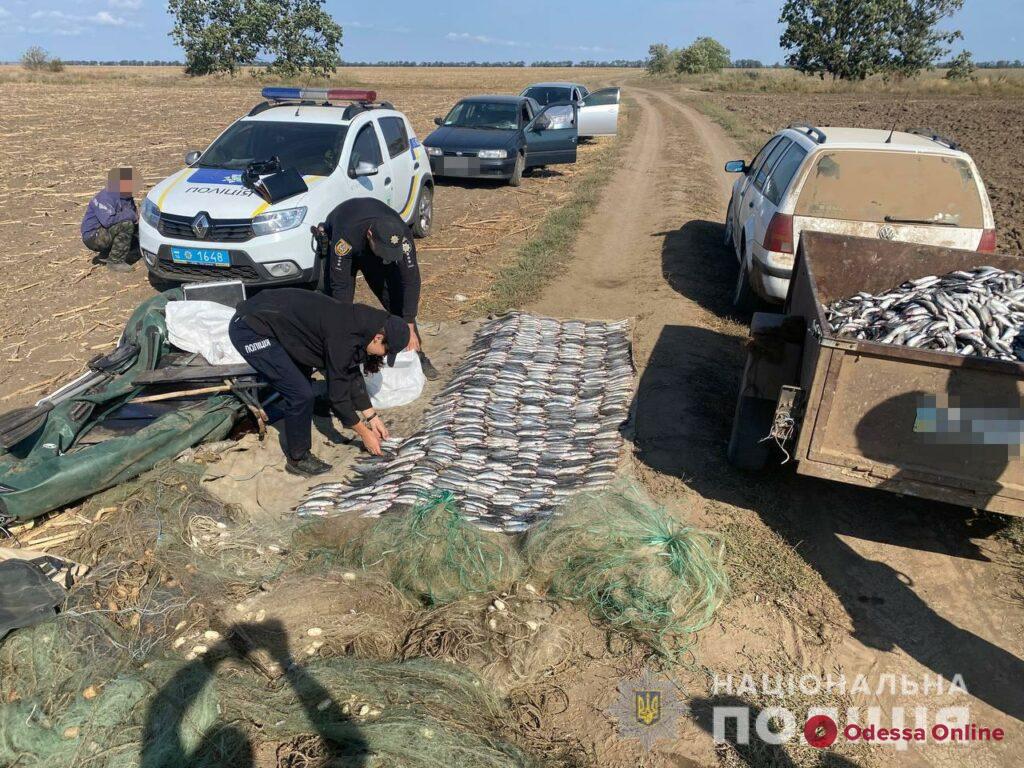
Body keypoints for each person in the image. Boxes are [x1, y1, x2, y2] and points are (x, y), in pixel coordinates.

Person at [228, 289, 410, 477]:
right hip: (250, 329)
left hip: (282, 324)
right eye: (386, 351)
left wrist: (372, 417)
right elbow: (338, 393)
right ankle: (298, 458)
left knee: (302, 379)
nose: (384, 356)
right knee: (300, 394)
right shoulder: (344, 334)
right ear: (378, 338)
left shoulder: (367, 324)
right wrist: (364, 433)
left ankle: (304, 412)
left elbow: (349, 370)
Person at [313, 197, 440, 380]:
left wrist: (409, 324)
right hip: (346, 245)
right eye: (384, 251)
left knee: (396, 298)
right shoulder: (346, 237)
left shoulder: (401, 234)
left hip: (373, 250)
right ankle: (338, 361)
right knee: (338, 308)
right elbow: (340, 287)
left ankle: (416, 354)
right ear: (371, 235)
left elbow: (411, 280)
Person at [81, 167, 139, 272]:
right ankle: (115, 262)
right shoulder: (106, 197)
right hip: (93, 236)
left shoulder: (126, 196)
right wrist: (130, 215)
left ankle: (106, 254)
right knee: (126, 225)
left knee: (138, 229)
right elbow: (108, 221)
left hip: (105, 231)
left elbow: (134, 214)